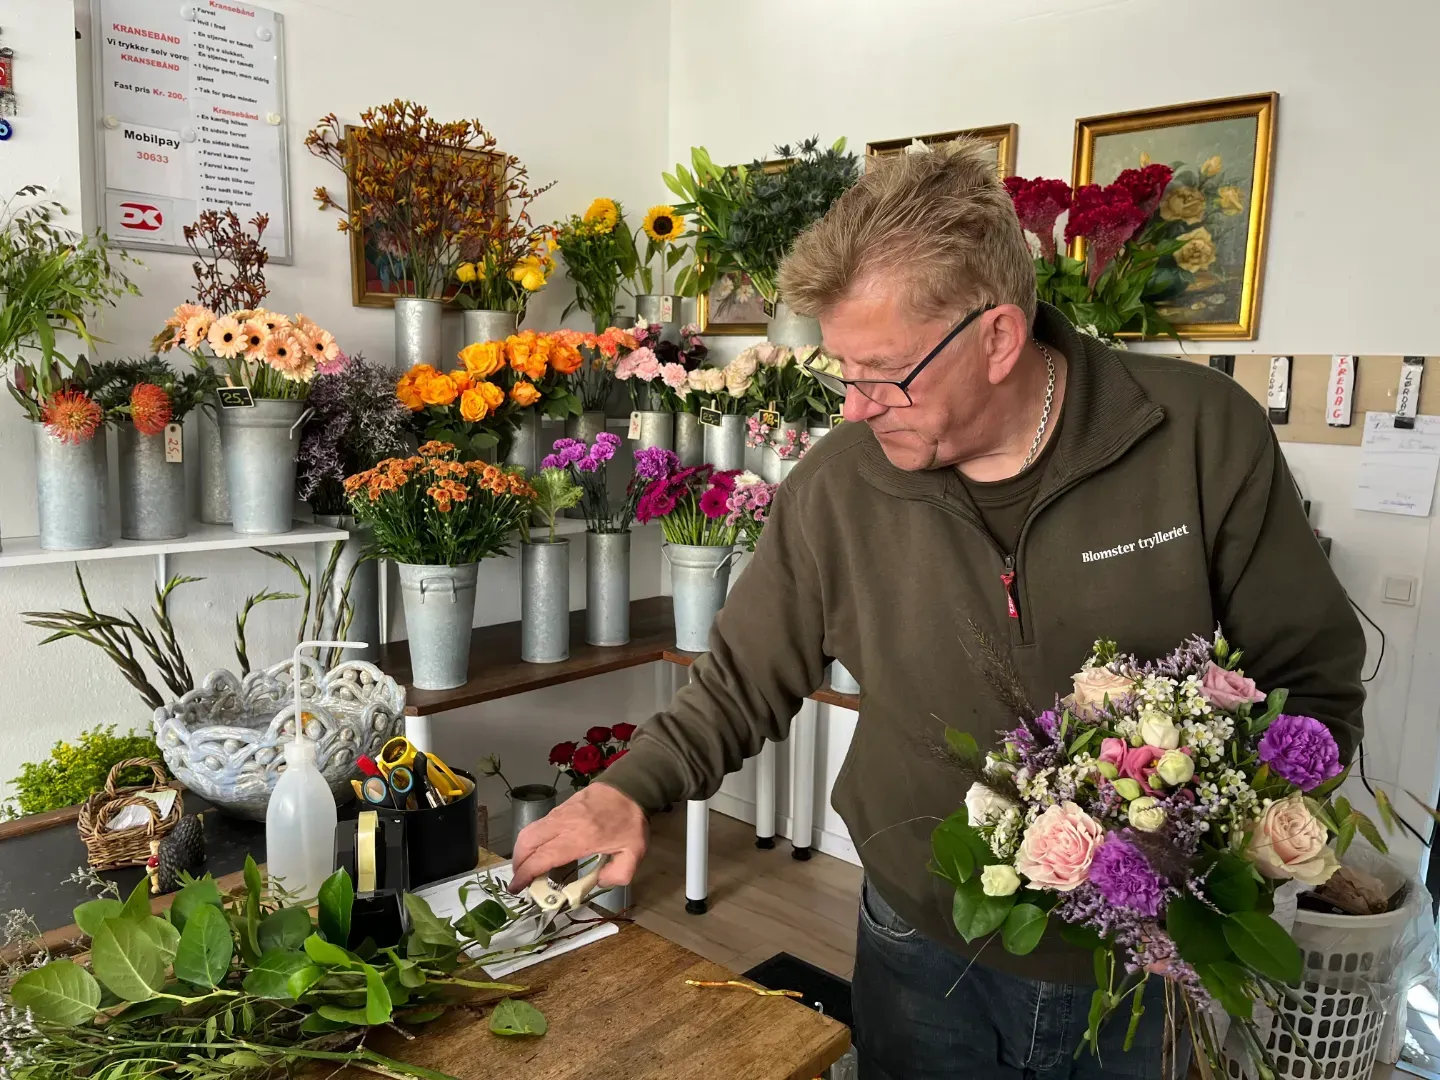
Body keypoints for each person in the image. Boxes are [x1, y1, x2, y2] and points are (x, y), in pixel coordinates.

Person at [509, 139, 1366, 1079]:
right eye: (844, 371)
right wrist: (625, 790)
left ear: (998, 337)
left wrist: (1229, 845)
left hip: (1147, 970)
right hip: (922, 946)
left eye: (884, 373)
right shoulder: (837, 486)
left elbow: (1312, 684)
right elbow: (743, 678)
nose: (858, 407)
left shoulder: (1200, 435)